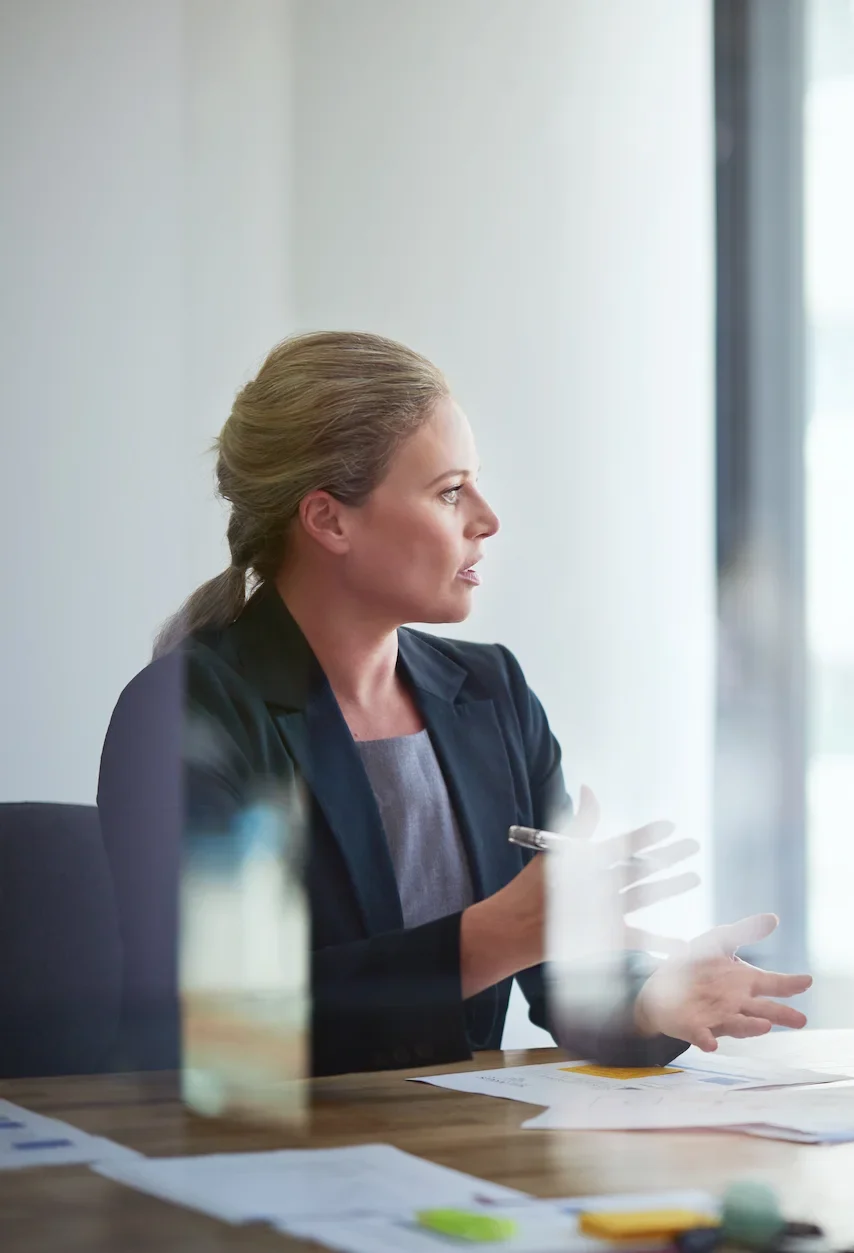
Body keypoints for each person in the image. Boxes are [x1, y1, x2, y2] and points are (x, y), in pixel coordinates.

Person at [110, 330, 808, 1077]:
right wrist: (489, 939)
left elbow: (562, 974)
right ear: (329, 520)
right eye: (450, 491)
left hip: (457, 1148)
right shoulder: (186, 712)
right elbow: (226, 1023)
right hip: (256, 1161)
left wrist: (649, 997)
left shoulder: (492, 694)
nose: (486, 517)